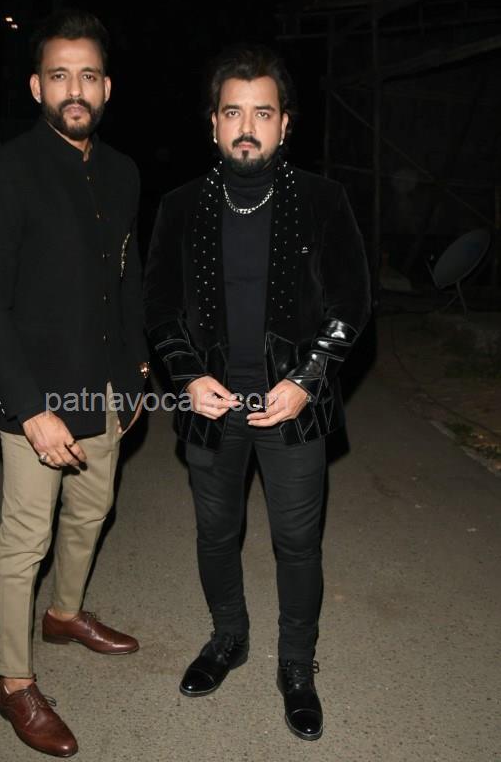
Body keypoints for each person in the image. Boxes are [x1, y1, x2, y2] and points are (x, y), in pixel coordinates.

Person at [143, 44, 370, 741]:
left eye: (262, 113)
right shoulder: (181, 206)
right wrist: (187, 376)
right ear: (213, 122)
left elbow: (352, 305)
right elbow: (159, 310)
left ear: (285, 123)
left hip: (291, 407)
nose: (247, 127)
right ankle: (228, 639)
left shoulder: (324, 201)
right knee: (217, 533)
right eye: (233, 112)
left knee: (297, 542)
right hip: (211, 407)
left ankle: (296, 666)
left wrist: (306, 381)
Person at [0, 10, 148, 758]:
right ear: (38, 86)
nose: (76, 89)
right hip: (35, 396)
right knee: (26, 537)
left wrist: (136, 372)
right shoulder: (1, 174)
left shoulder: (124, 172)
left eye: (89, 75)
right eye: (60, 75)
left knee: (93, 509)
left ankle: (64, 614)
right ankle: (13, 682)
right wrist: (31, 410)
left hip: (102, 384)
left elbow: (126, 278)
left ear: (107, 87)